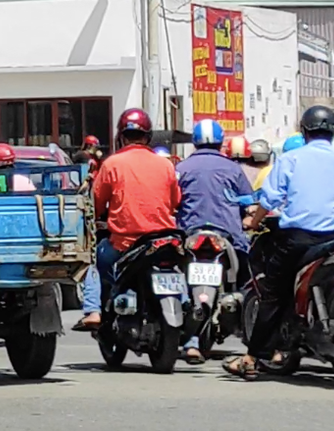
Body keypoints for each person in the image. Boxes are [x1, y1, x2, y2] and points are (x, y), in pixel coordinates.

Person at [224, 105, 334, 381]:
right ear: (333, 132)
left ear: (305, 131)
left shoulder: (291, 159)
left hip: (298, 239)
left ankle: (252, 357)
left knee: (273, 293)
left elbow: (270, 198)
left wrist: (253, 221)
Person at [75, 108, 181, 331]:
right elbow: (174, 202)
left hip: (125, 243)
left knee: (93, 260)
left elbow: (96, 204)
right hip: (164, 240)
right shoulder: (166, 165)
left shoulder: (112, 164)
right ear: (148, 136)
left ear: (122, 137)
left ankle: (93, 310)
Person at [174, 119, 255, 364]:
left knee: (177, 278)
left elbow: (172, 201)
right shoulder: (233, 169)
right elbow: (248, 201)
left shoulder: (181, 168)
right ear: (220, 142)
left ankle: (190, 339)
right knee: (248, 280)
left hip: (188, 234)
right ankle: (250, 333)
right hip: (228, 236)